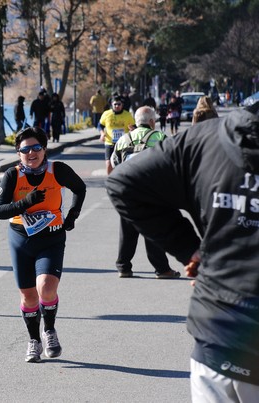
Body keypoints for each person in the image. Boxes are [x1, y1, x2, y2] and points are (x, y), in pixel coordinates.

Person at [106, 102, 259, 402]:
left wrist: (191, 250)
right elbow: (124, 184)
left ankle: (125, 261)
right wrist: (189, 248)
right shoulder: (200, 140)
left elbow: (122, 181)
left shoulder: (203, 139)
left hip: (216, 337)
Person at [0, 126, 86, 362]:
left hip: (51, 238)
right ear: (18, 153)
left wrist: (72, 215)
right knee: (28, 297)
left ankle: (49, 331)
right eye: (25, 149)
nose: (31, 153)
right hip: (21, 240)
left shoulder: (58, 170)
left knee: (46, 287)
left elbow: (80, 188)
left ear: (44, 150)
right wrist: (25, 202)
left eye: (36, 148)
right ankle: (33, 340)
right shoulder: (12, 175)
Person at [109, 106, 180, 279]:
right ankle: (162, 269)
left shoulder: (124, 139)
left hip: (127, 191)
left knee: (127, 230)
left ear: (135, 121)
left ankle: (123, 267)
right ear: (152, 122)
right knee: (153, 229)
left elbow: (114, 162)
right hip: (152, 192)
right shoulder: (161, 137)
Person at [98, 96, 135, 175]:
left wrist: (132, 130)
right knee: (108, 164)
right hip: (110, 143)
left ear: (122, 105)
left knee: (123, 164)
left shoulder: (127, 115)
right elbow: (100, 125)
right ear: (112, 105)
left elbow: (134, 127)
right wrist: (102, 133)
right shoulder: (106, 114)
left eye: (119, 104)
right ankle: (110, 181)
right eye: (115, 104)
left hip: (123, 143)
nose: (117, 106)